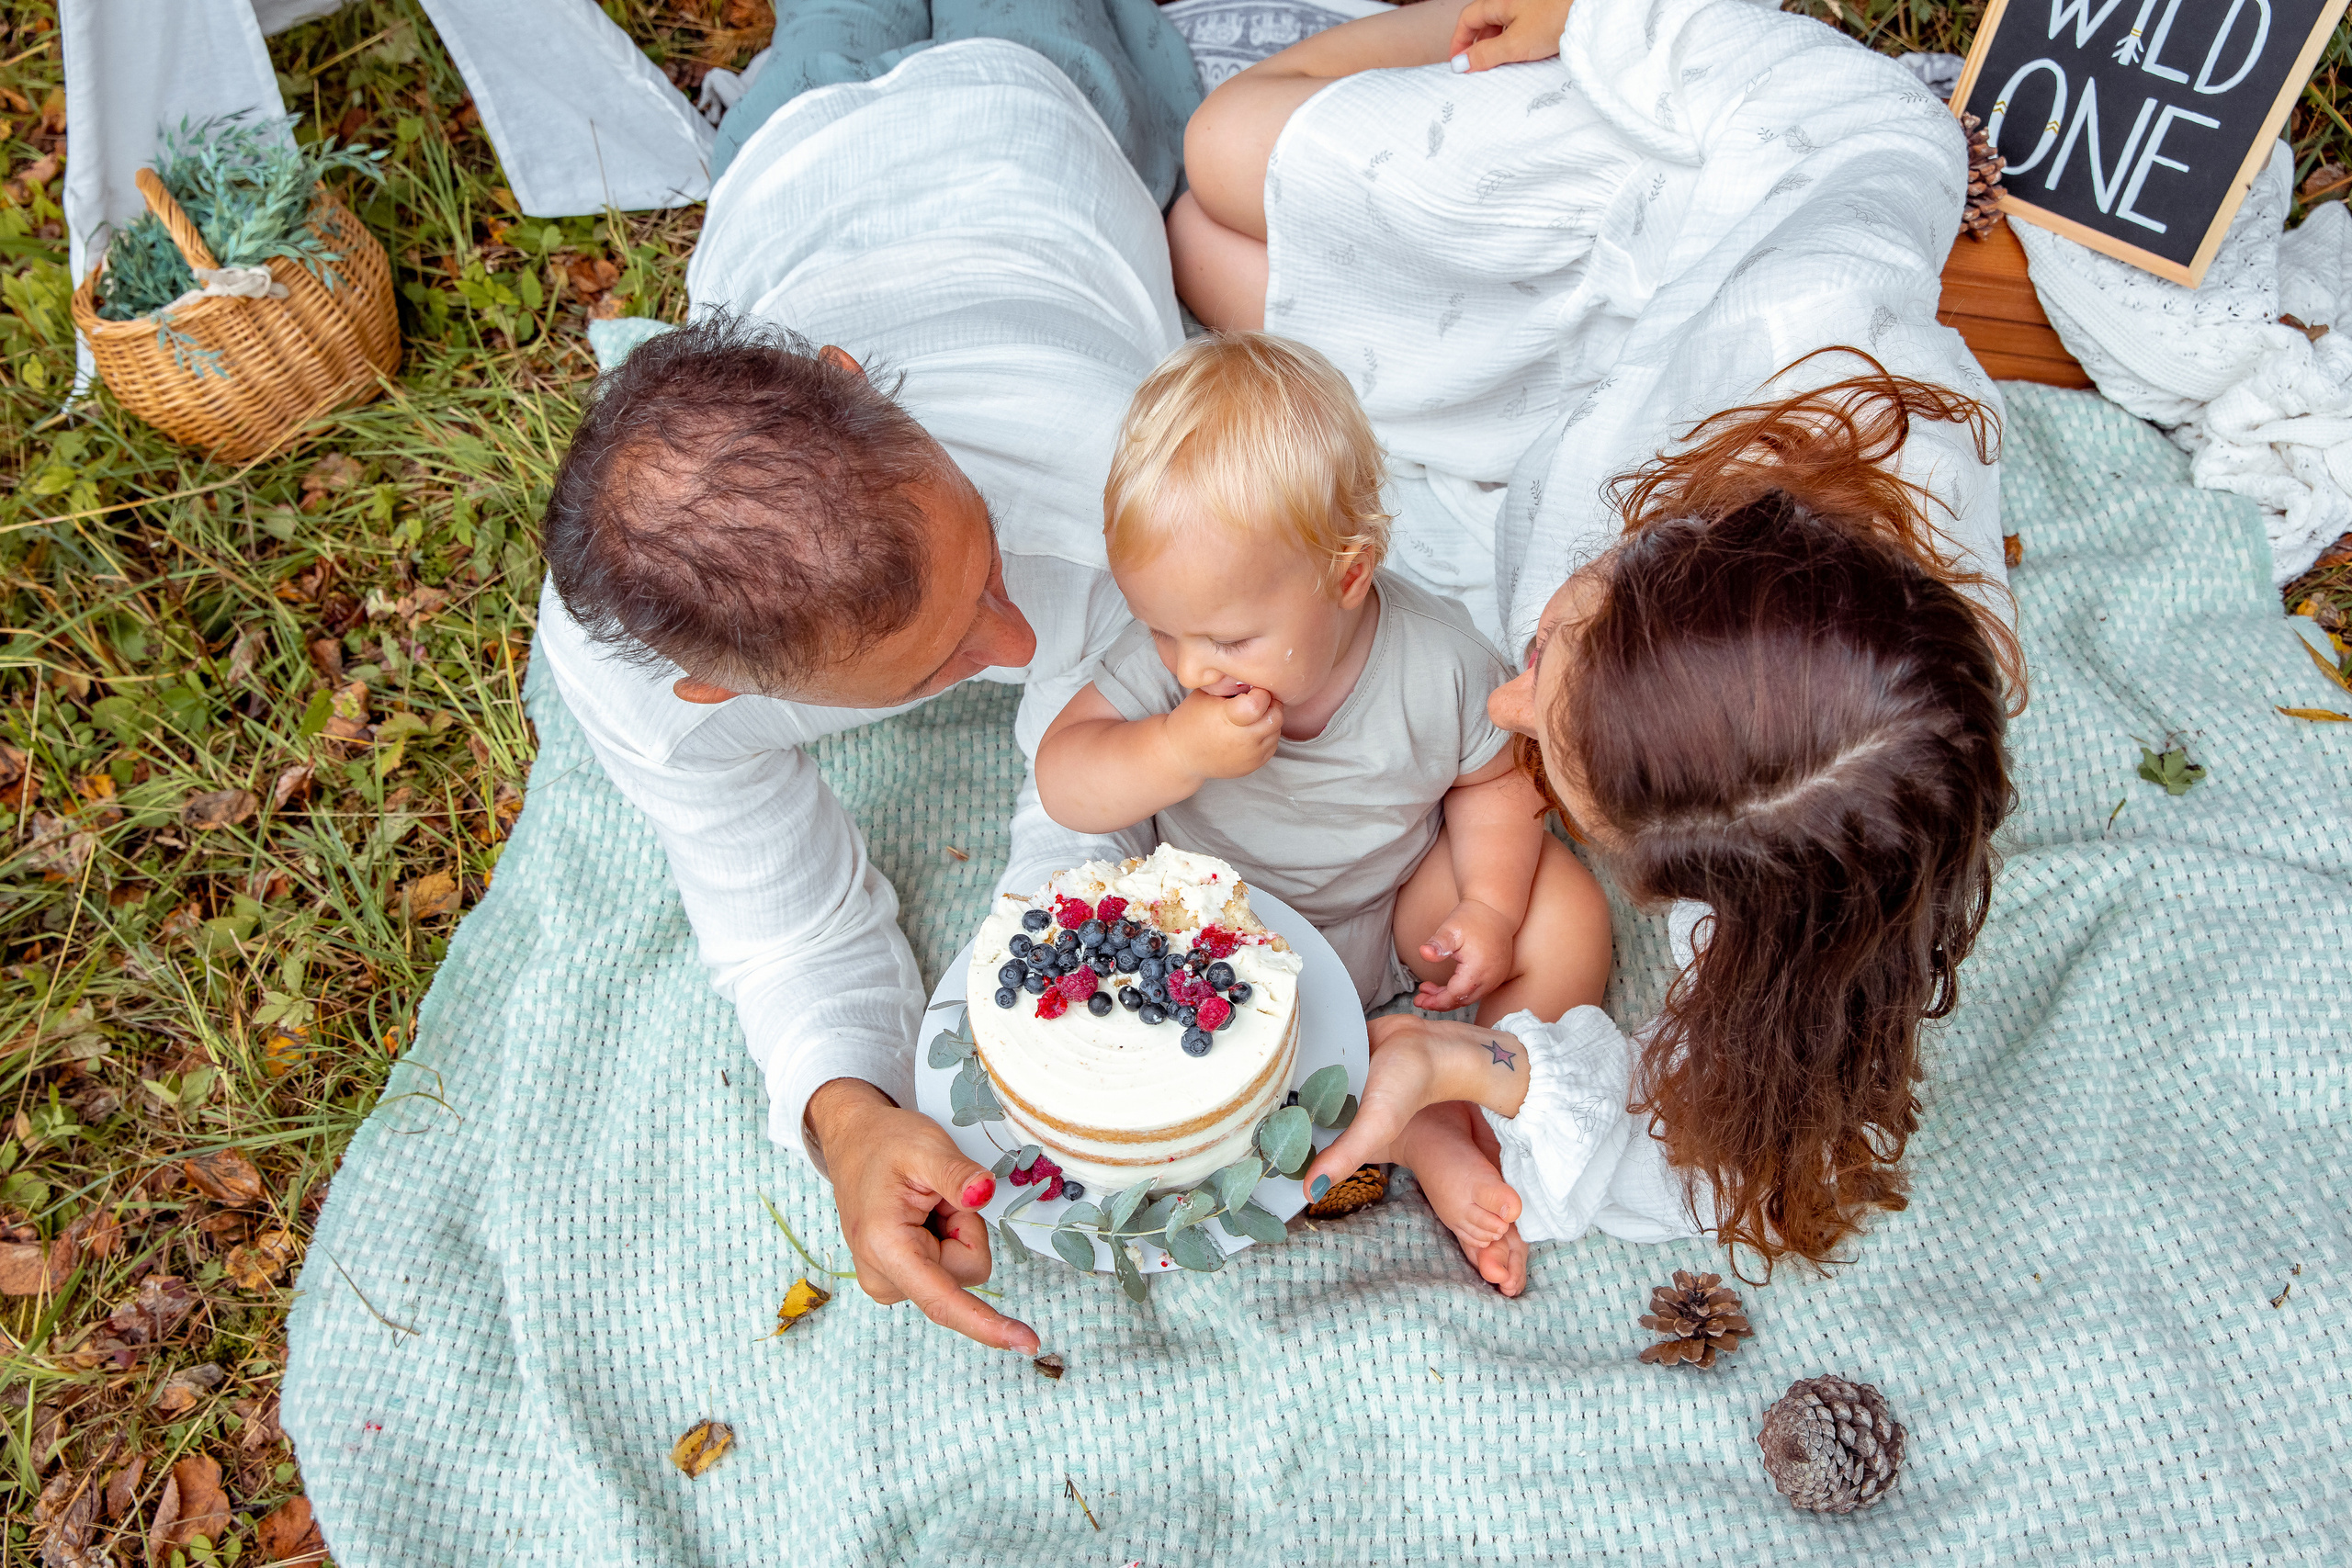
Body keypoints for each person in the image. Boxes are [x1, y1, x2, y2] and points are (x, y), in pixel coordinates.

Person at [1173, 0, 2022, 1293]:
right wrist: (1601, 15)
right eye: (1555, 647)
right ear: (1676, 552)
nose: (1500, 701)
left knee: (1202, 264)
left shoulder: (1797, 826)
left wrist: (1468, 1062)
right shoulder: (1815, 314)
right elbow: (1882, 124)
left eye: (1554, 764)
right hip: (1631, 237)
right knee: (1223, 154)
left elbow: (1724, 1157)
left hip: (1521, 470)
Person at [530, 0, 1200, 1357]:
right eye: (945, 656)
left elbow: (1091, 787)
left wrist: (1014, 1001)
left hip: (1029, 104)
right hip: (794, 158)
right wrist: (849, 1113)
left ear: (857, 382)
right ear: (720, 693)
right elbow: (777, 924)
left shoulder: (1127, 475)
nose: (1015, 649)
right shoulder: (640, 682)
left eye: (992, 568)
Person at [1035, 333, 1611, 1267]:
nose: (1189, 664)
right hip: (1218, 938)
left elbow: (1493, 781)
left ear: (1347, 574)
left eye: (1226, 638)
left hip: (1390, 908)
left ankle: (1458, 1097)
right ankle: (1412, 1125)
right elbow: (1064, 775)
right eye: (1162, 630)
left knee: (1565, 906)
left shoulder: (1437, 658)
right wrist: (1170, 748)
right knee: (1163, 1059)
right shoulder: (1172, 672)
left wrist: (1489, 906)